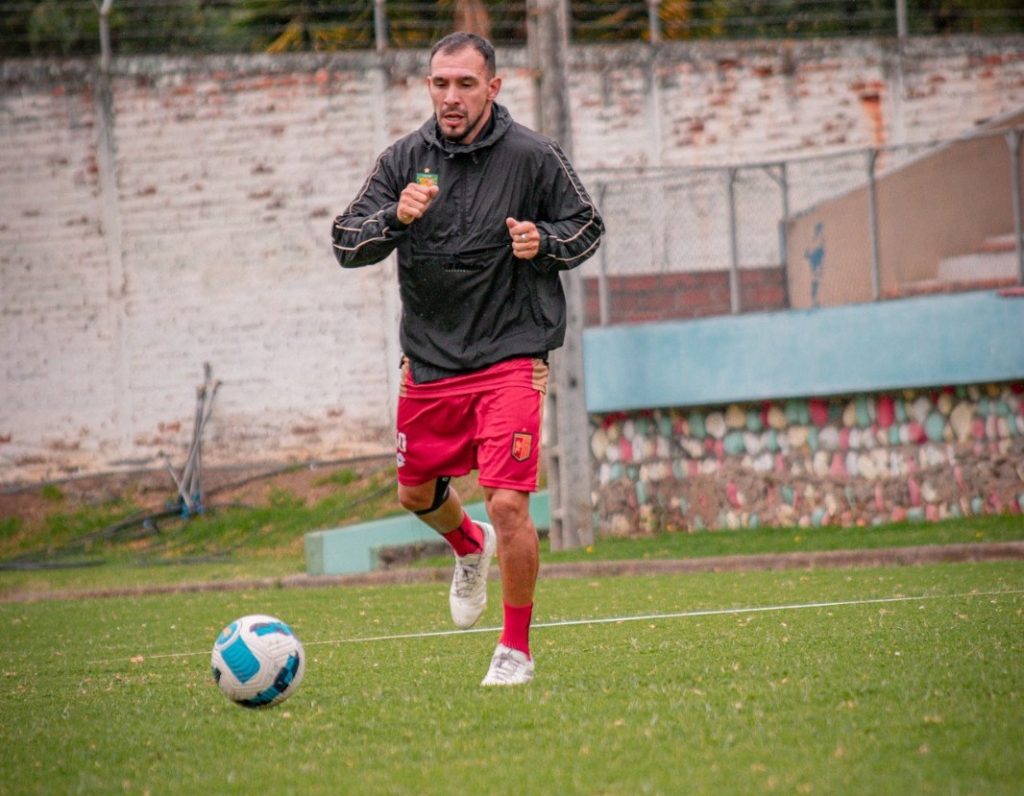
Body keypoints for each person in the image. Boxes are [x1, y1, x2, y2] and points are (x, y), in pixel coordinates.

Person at [331, 32, 604, 686]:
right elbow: (345, 240)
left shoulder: (533, 156)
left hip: (511, 352)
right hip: (429, 361)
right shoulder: (403, 160)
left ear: (493, 87)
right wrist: (394, 217)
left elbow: (587, 226)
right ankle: (468, 545)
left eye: (465, 84)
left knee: (508, 504)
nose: (451, 97)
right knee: (414, 492)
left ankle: (515, 650)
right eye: (440, 84)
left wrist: (544, 241)